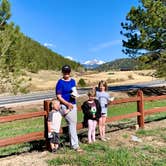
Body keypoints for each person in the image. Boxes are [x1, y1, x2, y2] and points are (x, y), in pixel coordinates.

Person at [55, 64, 83, 152]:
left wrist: (74, 95)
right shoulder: (60, 82)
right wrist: (67, 104)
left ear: (70, 72)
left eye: (68, 72)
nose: (66, 73)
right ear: (62, 72)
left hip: (73, 104)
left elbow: (74, 91)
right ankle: (75, 145)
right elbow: (59, 96)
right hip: (65, 105)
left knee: (73, 123)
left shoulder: (73, 81)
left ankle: (72, 143)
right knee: (72, 123)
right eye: (65, 72)